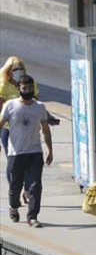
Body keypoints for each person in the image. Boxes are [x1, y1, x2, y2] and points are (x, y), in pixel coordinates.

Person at [0, 75, 52, 227]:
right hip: (16, 153)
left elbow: (45, 130)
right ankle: (13, 206)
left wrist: (50, 149)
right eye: (24, 88)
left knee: (36, 186)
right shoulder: (10, 105)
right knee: (15, 185)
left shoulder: (40, 107)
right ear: (18, 89)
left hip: (35, 152)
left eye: (30, 88)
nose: (28, 91)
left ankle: (32, 216)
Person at [1, 56, 38, 189]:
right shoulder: (3, 86)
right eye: (14, 70)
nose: (17, 72)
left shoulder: (28, 84)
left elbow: (36, 102)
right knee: (13, 161)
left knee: (29, 160)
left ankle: (27, 189)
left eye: (20, 69)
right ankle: (14, 189)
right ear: (8, 71)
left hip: (28, 127)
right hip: (9, 128)